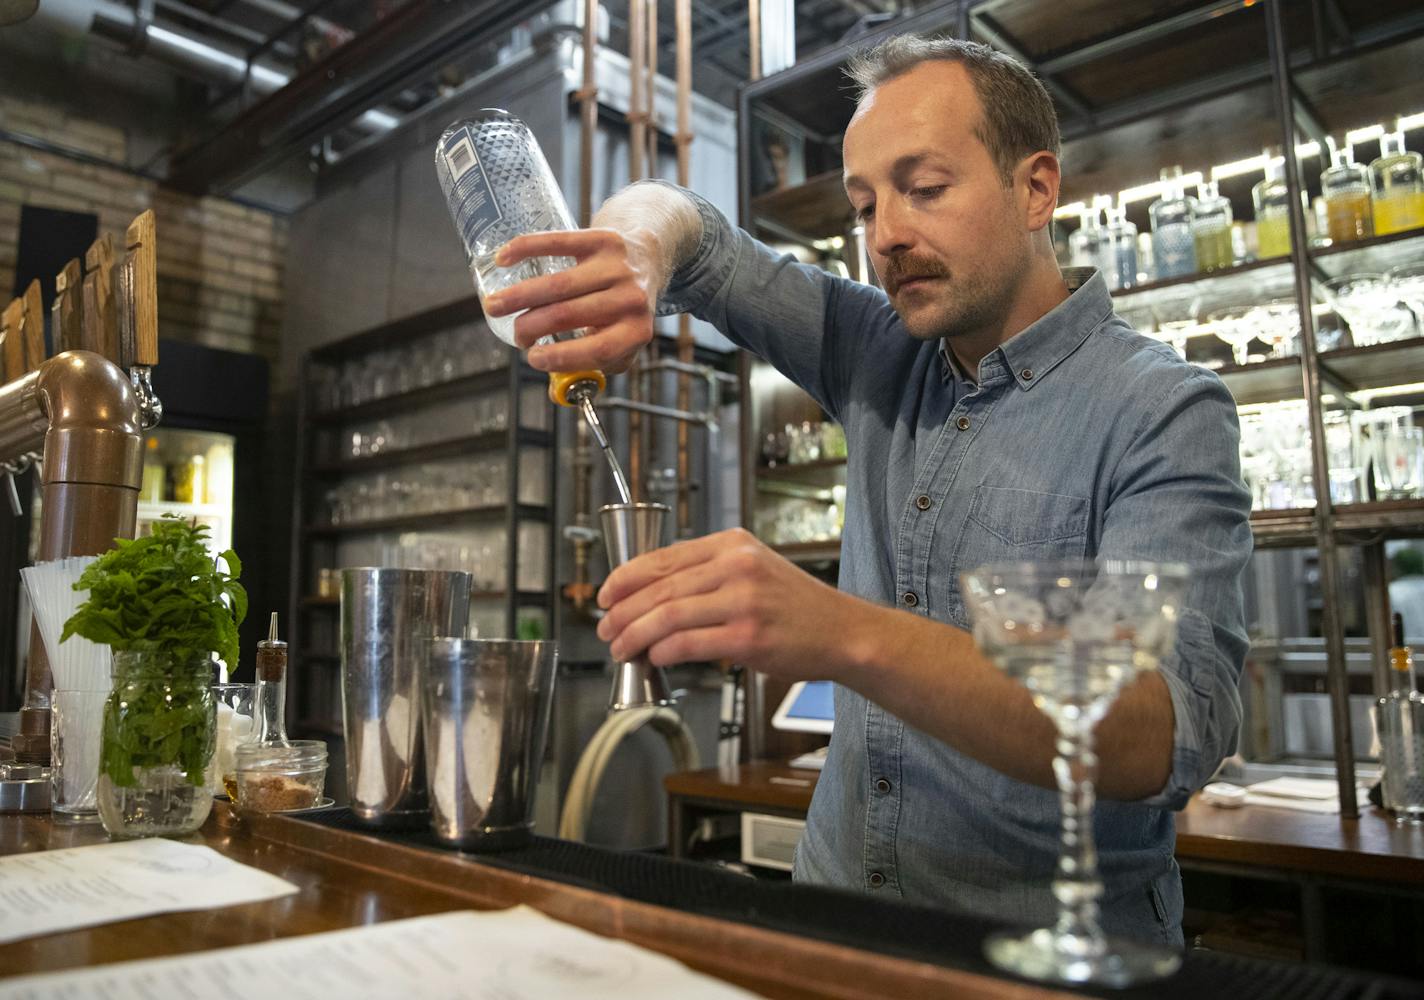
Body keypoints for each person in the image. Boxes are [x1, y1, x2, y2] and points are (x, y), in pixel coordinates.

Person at [482, 34, 1252, 946]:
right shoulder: (878, 346)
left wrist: (842, 633)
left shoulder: (1161, 407)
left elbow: (1158, 737)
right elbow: (686, 228)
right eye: (864, 203)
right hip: (832, 925)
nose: (886, 233)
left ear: (1036, 188)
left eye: (923, 189)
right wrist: (632, 255)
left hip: (1043, 959)